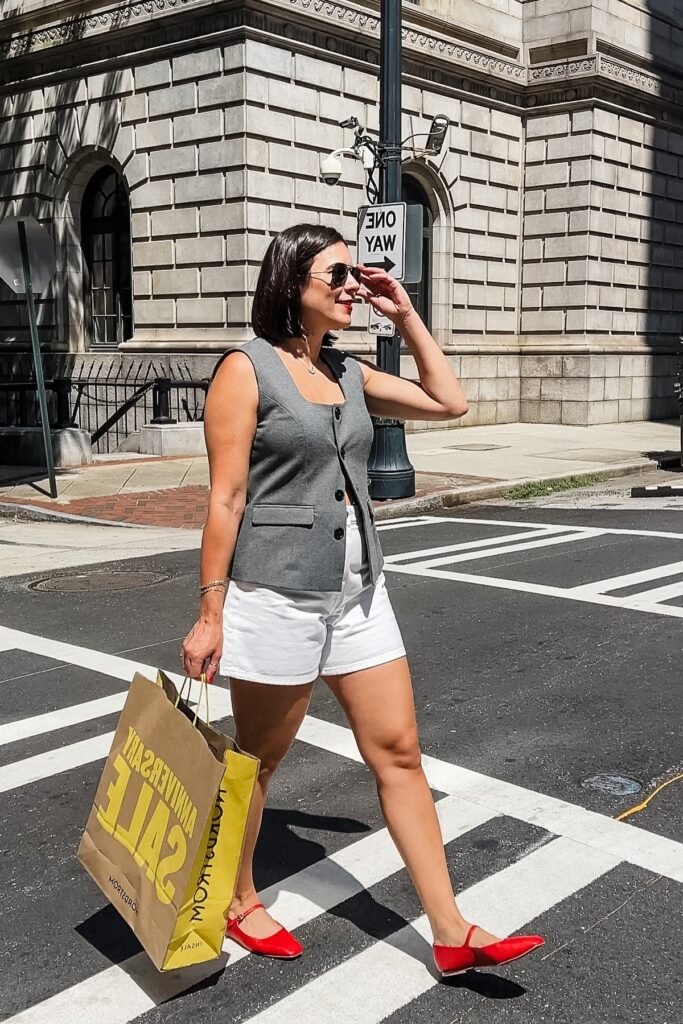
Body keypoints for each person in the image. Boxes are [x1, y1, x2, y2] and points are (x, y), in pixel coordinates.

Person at [181, 223, 543, 977]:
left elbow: (449, 403)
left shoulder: (346, 373)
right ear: (290, 285)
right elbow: (225, 498)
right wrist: (211, 610)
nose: (354, 285)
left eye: (357, 274)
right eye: (338, 274)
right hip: (275, 593)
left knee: (400, 753)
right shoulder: (245, 369)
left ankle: (450, 929)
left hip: (356, 591)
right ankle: (239, 895)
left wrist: (405, 313)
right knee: (259, 761)